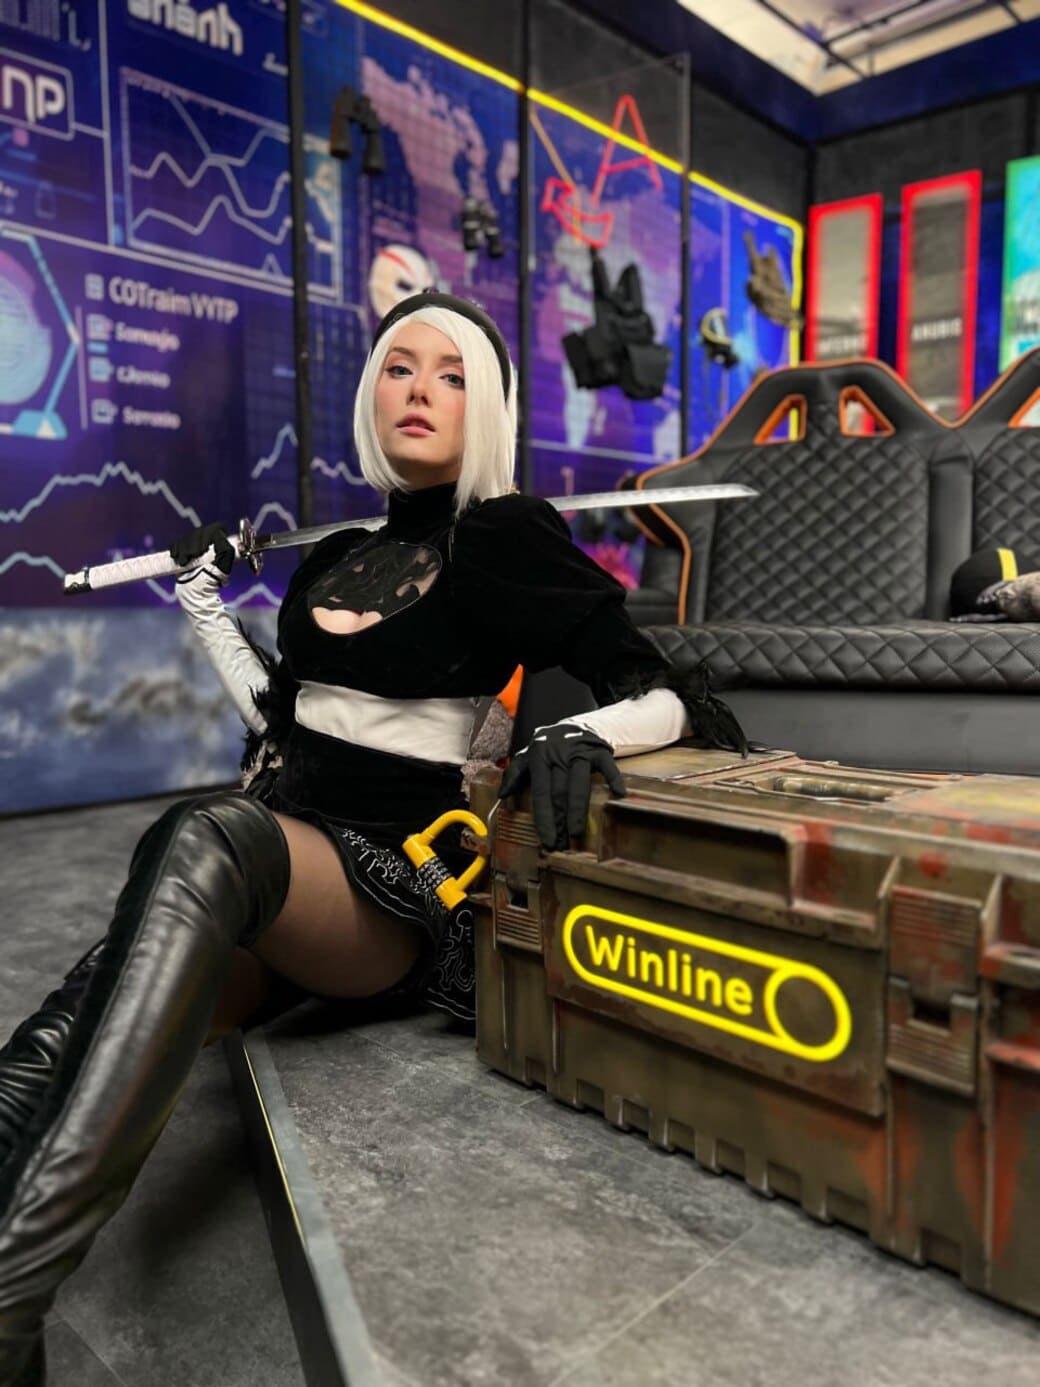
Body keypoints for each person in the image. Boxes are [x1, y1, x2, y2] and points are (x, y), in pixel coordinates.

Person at [0, 291, 744, 1385]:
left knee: (206, 836)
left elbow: (665, 687)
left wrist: (582, 730)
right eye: (400, 367)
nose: (420, 390)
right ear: (372, 393)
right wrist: (203, 601)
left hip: (385, 892)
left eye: (452, 373)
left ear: (485, 408)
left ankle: (10, 1297)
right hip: (280, 867)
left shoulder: (502, 535)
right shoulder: (336, 553)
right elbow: (284, 720)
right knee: (88, 1007)